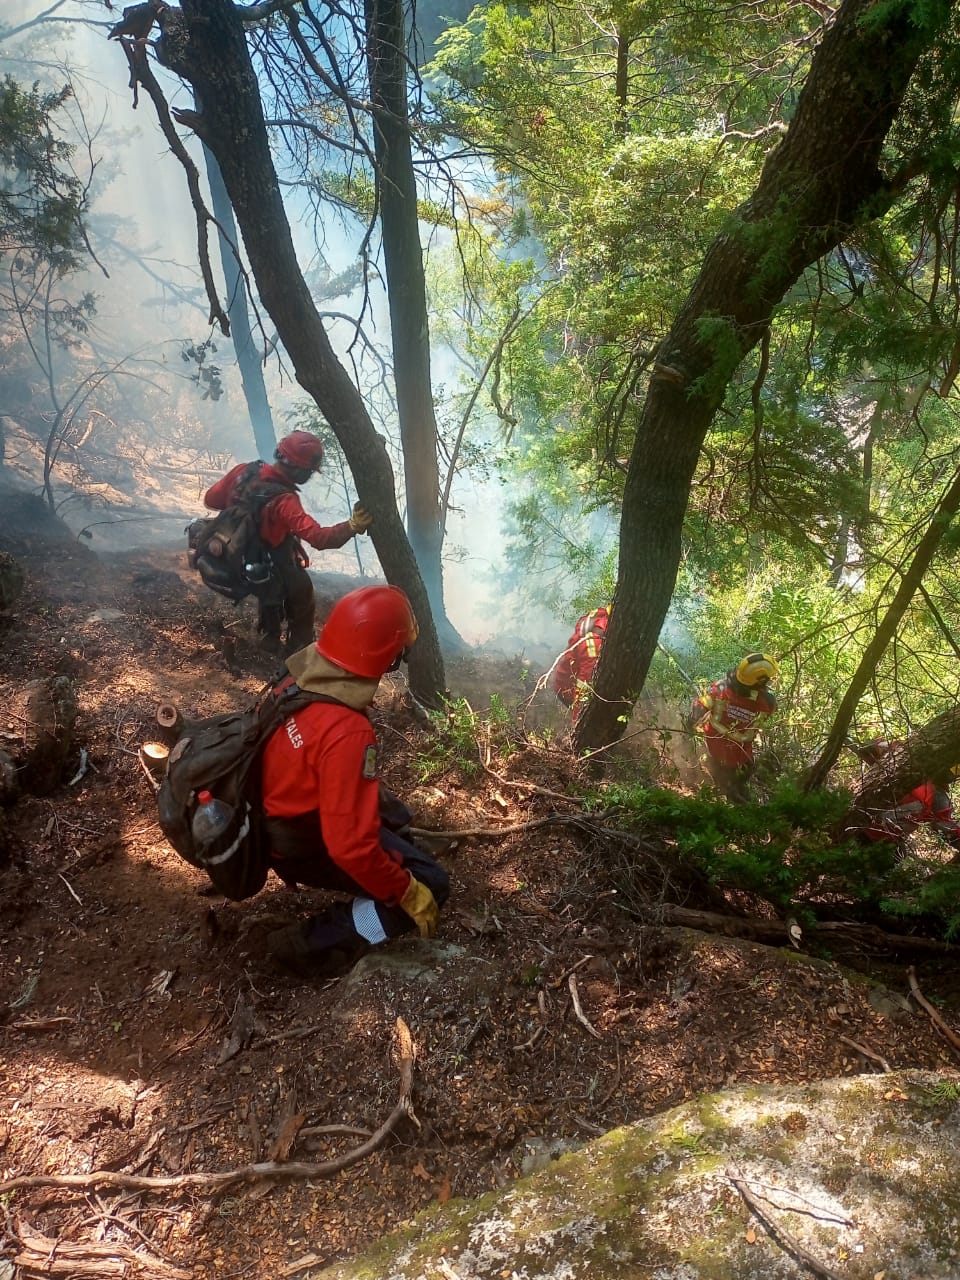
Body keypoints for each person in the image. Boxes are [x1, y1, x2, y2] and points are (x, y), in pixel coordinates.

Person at [261, 584, 451, 977]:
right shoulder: (348, 731)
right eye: (397, 654)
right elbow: (350, 848)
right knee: (431, 883)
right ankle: (311, 942)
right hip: (300, 839)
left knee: (392, 814)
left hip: (277, 816)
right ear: (383, 656)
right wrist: (407, 892)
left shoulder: (297, 679)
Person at [203, 430, 373, 656]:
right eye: (310, 471)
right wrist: (352, 525)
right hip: (262, 565)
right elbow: (319, 538)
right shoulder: (285, 501)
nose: (310, 475)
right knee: (302, 590)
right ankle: (298, 648)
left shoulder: (245, 471)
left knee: (272, 576)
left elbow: (211, 499)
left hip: (230, 556)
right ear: (300, 470)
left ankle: (270, 635)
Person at [688, 653, 779, 801]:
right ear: (760, 681)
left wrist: (689, 727)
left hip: (716, 752)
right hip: (739, 759)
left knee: (731, 792)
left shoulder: (720, 688)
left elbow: (697, 709)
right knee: (735, 794)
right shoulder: (768, 702)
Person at [850, 738, 960, 859]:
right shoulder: (884, 770)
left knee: (946, 827)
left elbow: (892, 745)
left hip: (926, 797)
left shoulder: (892, 750)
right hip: (919, 801)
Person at [548, 605, 611, 722]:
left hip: (571, 677)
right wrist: (578, 723)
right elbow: (583, 689)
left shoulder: (602, 615)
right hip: (567, 689)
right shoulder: (594, 645)